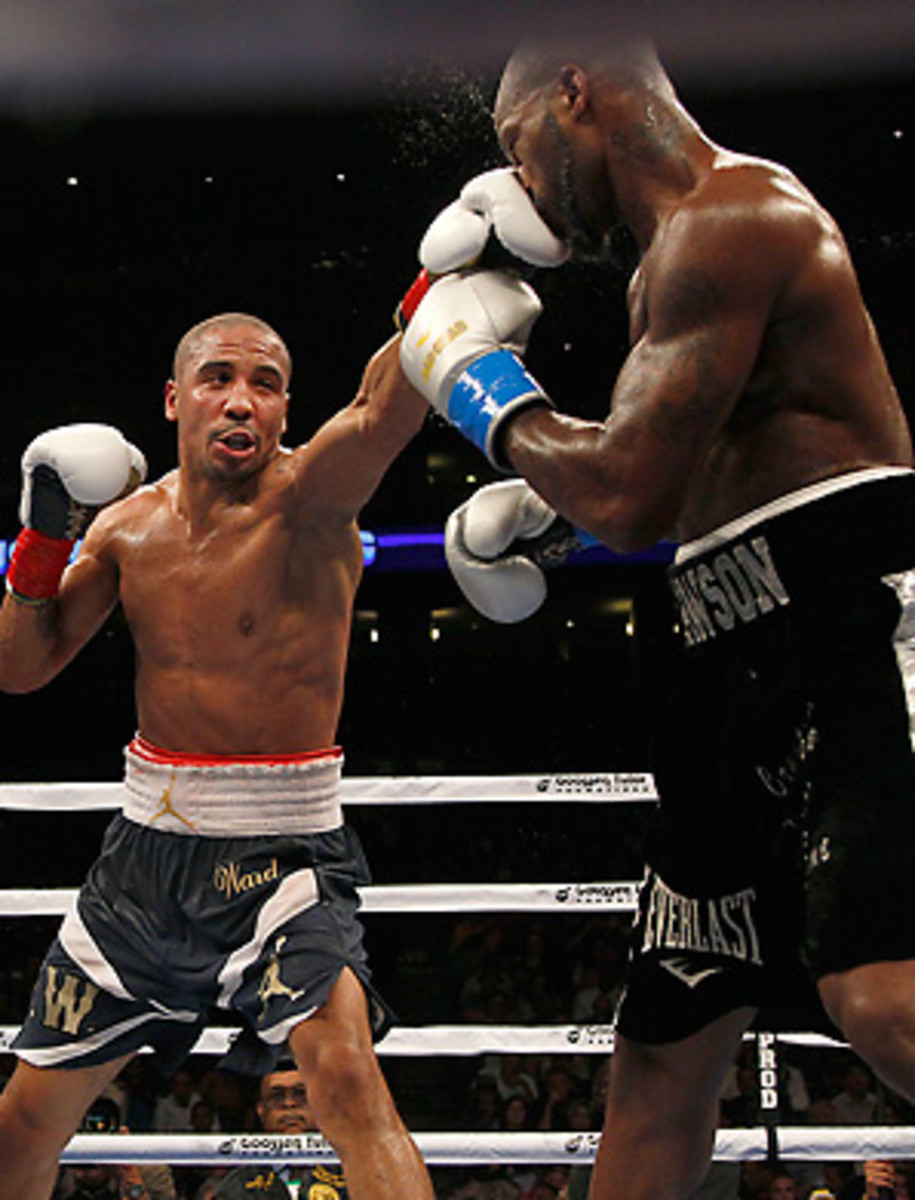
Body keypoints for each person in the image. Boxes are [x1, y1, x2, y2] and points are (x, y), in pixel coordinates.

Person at [397, 35, 915, 1200]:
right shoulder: (662, 269)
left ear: (574, 92)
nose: (523, 186)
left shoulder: (734, 217)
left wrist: (478, 386)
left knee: (884, 998)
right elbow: (691, 486)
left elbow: (629, 493)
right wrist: (552, 518)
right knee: (665, 1051)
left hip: (848, 635)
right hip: (729, 675)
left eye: (518, 146)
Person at [0, 313, 434, 1200]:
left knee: (345, 1080)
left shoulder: (313, 498)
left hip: (282, 854)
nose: (241, 401)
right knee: (23, 1125)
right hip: (143, 864)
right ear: (174, 400)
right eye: (218, 378)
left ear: (285, 410)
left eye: (265, 384)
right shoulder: (126, 528)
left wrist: (437, 286)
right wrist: (44, 538)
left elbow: (382, 407)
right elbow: (20, 667)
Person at [206, 1063, 348, 1200]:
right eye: (277, 1096)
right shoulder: (239, 1184)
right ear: (261, 1110)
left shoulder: (350, 1174)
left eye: (300, 1094)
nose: (289, 1104)